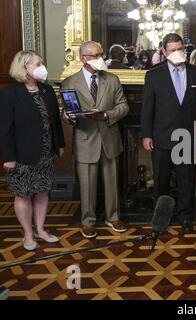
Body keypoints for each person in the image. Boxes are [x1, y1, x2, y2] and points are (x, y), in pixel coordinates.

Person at [61, 41, 130, 239]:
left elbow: (123, 107)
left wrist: (106, 115)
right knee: (87, 185)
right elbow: (65, 113)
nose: (101, 58)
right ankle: (88, 221)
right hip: (85, 139)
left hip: (109, 138)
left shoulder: (112, 79)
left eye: (102, 54)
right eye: (96, 55)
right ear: (84, 58)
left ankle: (113, 217)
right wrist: (68, 117)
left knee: (112, 183)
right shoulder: (69, 82)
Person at [0, 50, 65, 250]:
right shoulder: (10, 93)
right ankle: (28, 234)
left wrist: (60, 144)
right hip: (21, 154)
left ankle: (41, 229)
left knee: (43, 191)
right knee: (24, 194)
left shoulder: (46, 90)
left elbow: (55, 121)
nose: (41, 67)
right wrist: (8, 157)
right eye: (37, 64)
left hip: (46, 152)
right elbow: (5, 128)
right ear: (24, 67)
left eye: (41, 63)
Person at [141, 33, 196, 233]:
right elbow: (147, 108)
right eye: (173, 50)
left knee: (186, 181)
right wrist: (146, 135)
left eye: (180, 49)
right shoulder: (153, 75)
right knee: (161, 181)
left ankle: (186, 217)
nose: (178, 53)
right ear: (163, 52)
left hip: (187, 136)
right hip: (161, 136)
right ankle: (161, 218)